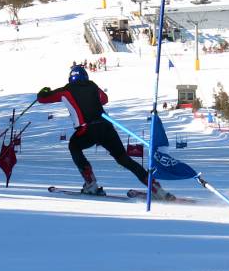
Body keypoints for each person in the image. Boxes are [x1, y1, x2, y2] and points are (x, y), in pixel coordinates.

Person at [37, 65, 174, 199]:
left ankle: (90, 183)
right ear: (85, 76)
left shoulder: (66, 90)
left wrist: (43, 91)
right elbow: (104, 99)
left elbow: (43, 99)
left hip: (87, 130)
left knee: (74, 146)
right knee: (124, 159)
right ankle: (155, 187)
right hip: (106, 127)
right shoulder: (93, 86)